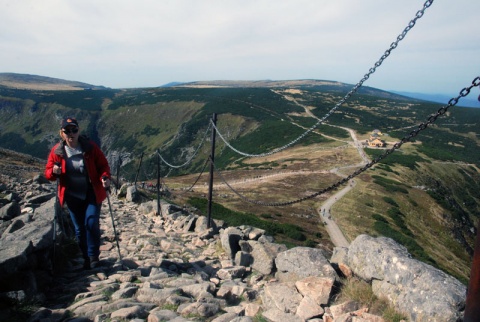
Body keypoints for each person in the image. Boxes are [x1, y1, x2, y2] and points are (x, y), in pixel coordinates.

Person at [45, 117, 111, 269]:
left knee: (91, 222)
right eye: (67, 131)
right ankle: (86, 257)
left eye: (74, 130)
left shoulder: (90, 147)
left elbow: (103, 166)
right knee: (79, 228)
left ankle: (93, 256)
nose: (71, 133)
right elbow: (48, 174)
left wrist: (104, 177)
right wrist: (53, 171)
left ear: (78, 131)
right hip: (72, 195)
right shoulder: (57, 152)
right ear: (61, 133)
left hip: (91, 191)